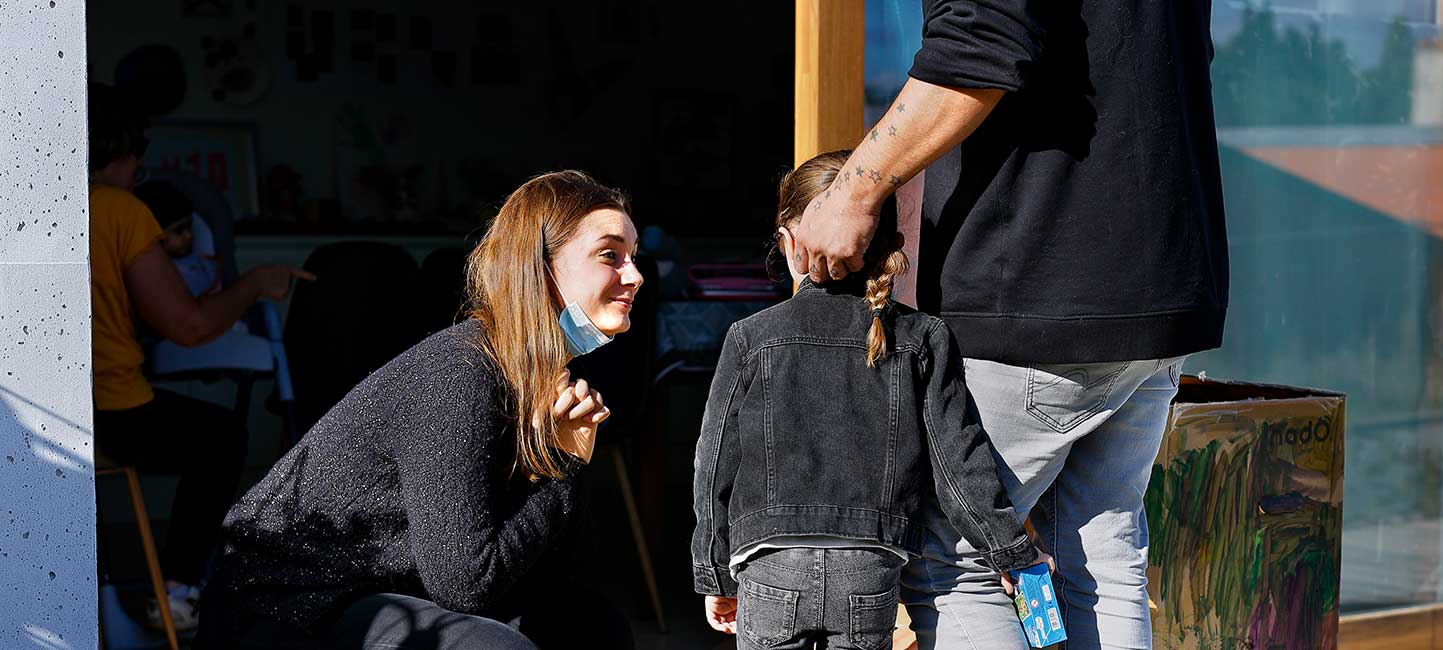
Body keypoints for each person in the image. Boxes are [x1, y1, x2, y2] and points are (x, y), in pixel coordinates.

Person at [787, 2, 1227, 648]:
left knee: (955, 559)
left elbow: (980, 37)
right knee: (1100, 557)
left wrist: (853, 190)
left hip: (1039, 284)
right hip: (1157, 283)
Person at [195, 171, 642, 649]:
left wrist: (559, 463)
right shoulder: (460, 371)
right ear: (539, 268)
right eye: (609, 255)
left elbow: (544, 569)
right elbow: (466, 585)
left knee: (593, 626)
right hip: (288, 605)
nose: (634, 276)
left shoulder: (546, 377)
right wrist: (561, 464)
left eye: (634, 257)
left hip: (390, 587)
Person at [691, 150, 1050, 650]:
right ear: (890, 243)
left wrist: (713, 572)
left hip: (770, 567)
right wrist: (1011, 552)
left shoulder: (751, 337)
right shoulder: (922, 336)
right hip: (868, 571)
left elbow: (713, 467)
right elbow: (959, 464)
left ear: (790, 245)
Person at [86, 83, 312, 632]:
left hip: (60, 409)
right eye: (137, 153)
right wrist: (256, 282)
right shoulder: (119, 210)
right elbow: (188, 326)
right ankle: (179, 591)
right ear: (118, 149)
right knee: (221, 438)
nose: (139, 168)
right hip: (112, 409)